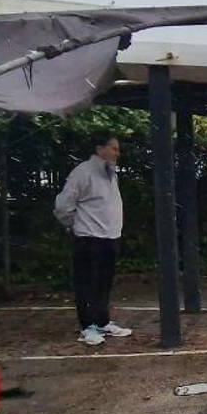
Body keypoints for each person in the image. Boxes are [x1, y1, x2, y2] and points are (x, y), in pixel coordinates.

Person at [54, 131, 131, 346]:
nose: (117, 153)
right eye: (113, 148)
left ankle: (102, 321)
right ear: (100, 149)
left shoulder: (110, 173)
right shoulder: (83, 172)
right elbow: (63, 206)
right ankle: (87, 327)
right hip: (89, 238)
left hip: (109, 237)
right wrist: (76, 226)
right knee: (86, 283)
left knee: (103, 283)